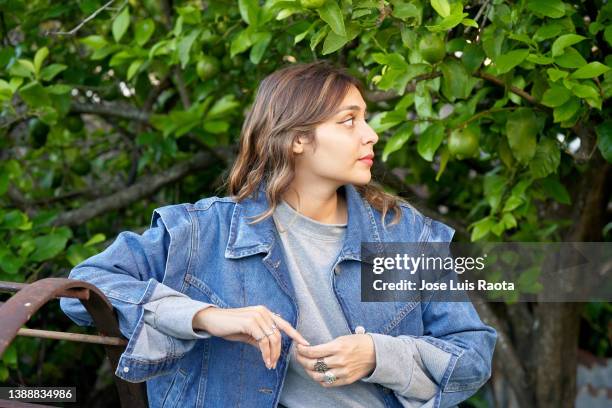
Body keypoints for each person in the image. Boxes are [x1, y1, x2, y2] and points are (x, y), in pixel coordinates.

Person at [60, 60, 497, 408]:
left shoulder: (405, 235)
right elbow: (82, 289)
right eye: (349, 120)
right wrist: (206, 316)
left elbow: (473, 355)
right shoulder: (202, 231)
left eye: (365, 119)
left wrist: (379, 355)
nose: (371, 134)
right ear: (297, 139)